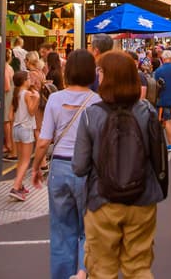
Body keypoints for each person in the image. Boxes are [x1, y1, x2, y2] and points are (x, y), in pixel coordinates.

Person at [73, 51, 166, 278]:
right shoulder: (148, 112)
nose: (98, 76)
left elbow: (79, 166)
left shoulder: (90, 115)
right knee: (139, 268)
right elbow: (159, 159)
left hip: (102, 201)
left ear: (107, 76)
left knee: (102, 269)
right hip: (142, 200)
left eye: (100, 71)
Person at [33, 49, 99, 279]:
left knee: (61, 229)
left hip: (59, 167)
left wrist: (35, 167)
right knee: (88, 227)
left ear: (67, 70)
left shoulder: (55, 99)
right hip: (88, 169)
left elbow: (43, 141)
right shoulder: (97, 101)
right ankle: (83, 272)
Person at [9, 71, 40, 201]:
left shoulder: (15, 95)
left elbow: (10, 116)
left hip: (16, 128)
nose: (30, 80)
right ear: (23, 81)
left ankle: (20, 185)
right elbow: (32, 112)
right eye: (28, 78)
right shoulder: (27, 94)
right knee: (26, 161)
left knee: (20, 160)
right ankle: (15, 187)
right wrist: (37, 98)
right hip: (26, 128)